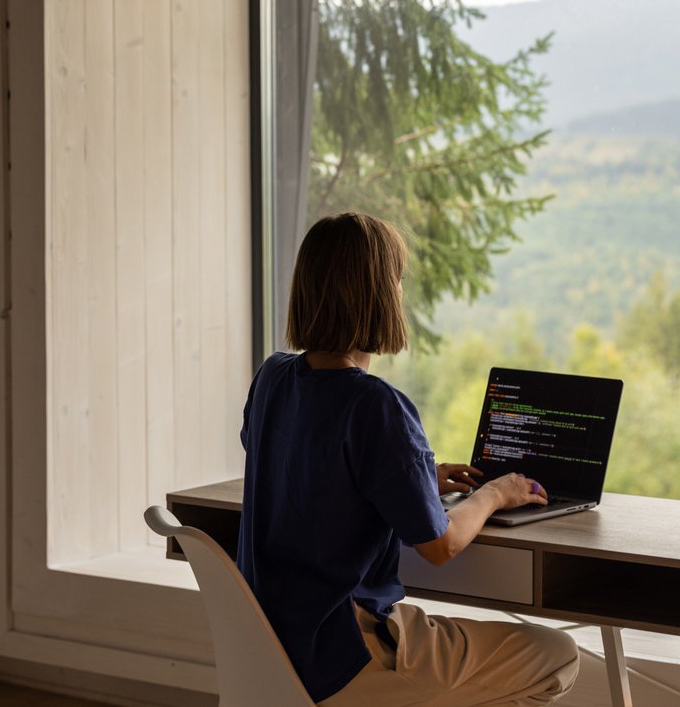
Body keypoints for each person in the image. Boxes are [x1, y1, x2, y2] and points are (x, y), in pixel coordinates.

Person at [237, 212, 580, 707]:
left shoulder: (272, 377)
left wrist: (411, 482)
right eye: (397, 281)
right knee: (559, 654)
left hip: (272, 648)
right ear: (376, 294)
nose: (401, 293)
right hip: (346, 653)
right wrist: (494, 493)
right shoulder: (376, 405)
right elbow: (441, 545)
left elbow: (296, 460)